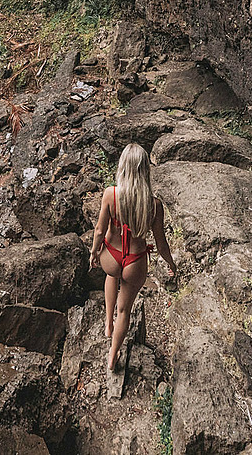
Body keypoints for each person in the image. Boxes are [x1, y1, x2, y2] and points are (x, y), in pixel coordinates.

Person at [89, 142, 177, 371]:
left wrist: (94, 252)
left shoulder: (111, 194)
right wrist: (171, 263)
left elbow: (99, 230)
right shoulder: (154, 205)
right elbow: (160, 242)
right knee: (125, 310)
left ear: (123, 167)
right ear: (145, 170)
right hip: (135, 262)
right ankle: (113, 354)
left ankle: (108, 325)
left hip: (111, 256)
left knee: (111, 275)